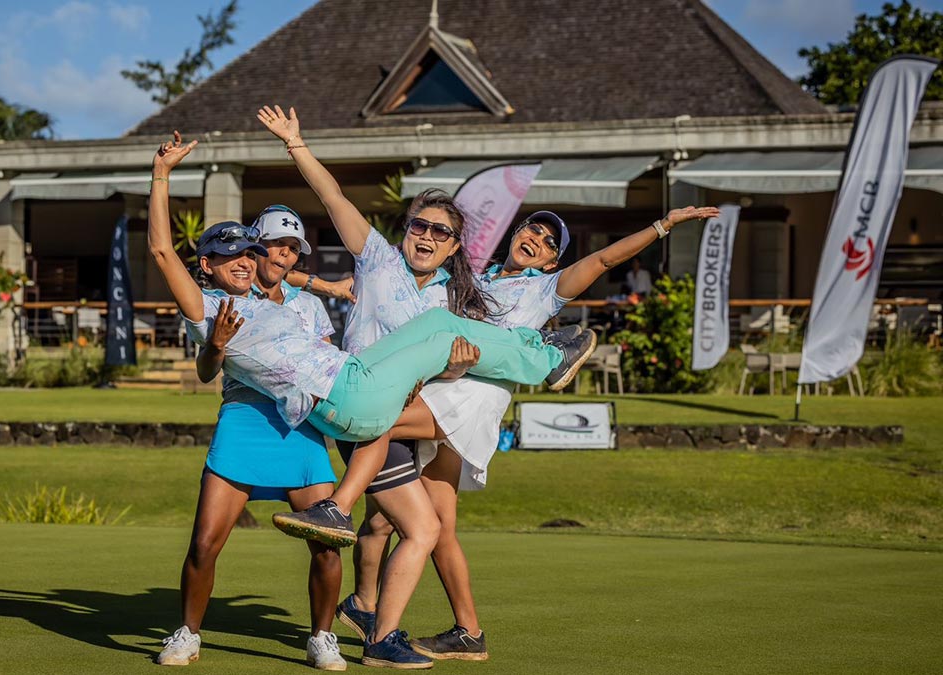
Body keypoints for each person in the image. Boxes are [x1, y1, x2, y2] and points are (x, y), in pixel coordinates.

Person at [148, 129, 592, 669]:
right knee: (436, 343)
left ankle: (358, 611)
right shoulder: (205, 310)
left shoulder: (285, 299)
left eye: (248, 252)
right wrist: (162, 175)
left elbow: (307, 286)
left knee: (437, 327)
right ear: (206, 268)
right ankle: (548, 359)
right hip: (344, 396)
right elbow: (160, 249)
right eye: (226, 255)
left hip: (355, 379)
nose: (242, 260)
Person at [344, 206, 718, 662]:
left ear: (549, 263)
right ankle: (468, 632)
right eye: (532, 230)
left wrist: (662, 226)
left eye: (548, 244)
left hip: (471, 403)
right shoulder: (472, 278)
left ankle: (341, 527)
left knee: (374, 422)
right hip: (444, 388)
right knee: (432, 528)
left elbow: (602, 262)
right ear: (516, 231)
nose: (537, 240)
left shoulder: (543, 289)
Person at [156, 205, 347, 670]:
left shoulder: (306, 303)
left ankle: (322, 636)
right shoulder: (218, 299)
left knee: (326, 542)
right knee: (204, 543)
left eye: (289, 249)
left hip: (298, 425)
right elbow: (206, 372)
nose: (280, 255)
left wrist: (321, 287)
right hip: (243, 417)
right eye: (273, 246)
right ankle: (188, 633)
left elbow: (324, 366)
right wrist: (216, 345)